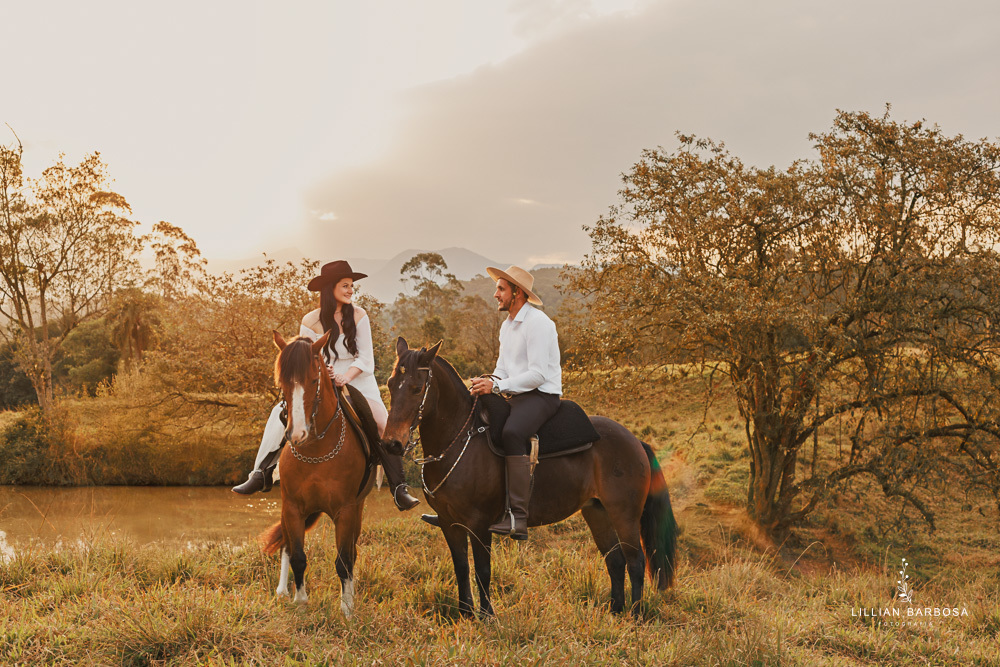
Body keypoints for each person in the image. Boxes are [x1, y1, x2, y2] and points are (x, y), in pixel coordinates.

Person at [232, 260, 420, 511]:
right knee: (279, 412)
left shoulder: (359, 315)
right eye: (345, 285)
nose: (351, 290)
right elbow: (305, 357)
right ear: (330, 287)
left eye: (352, 286)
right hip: (320, 377)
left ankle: (399, 488)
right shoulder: (309, 321)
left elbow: (366, 358)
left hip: (358, 378)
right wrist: (325, 372)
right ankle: (260, 472)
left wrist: (345, 377)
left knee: (383, 423)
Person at [422, 265, 561, 539]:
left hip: (542, 396)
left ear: (517, 292)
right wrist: (486, 382)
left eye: (501, 289)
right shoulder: (507, 326)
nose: (495, 294)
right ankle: (457, 505)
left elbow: (538, 374)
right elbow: (503, 368)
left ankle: (517, 516)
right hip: (515, 393)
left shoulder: (539, 324)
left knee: (511, 432)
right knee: (475, 420)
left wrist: (497, 385)